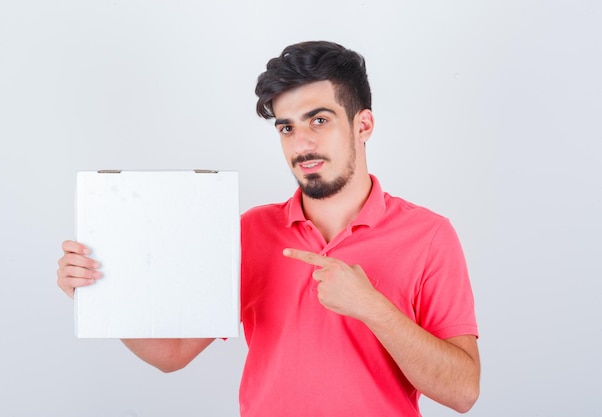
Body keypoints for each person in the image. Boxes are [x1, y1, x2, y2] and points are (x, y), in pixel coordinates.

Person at [57, 41, 480, 416]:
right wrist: (96, 292)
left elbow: (463, 392)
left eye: (319, 121)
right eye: (286, 127)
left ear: (363, 125)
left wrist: (372, 308)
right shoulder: (250, 231)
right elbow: (173, 353)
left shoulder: (429, 236)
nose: (301, 144)